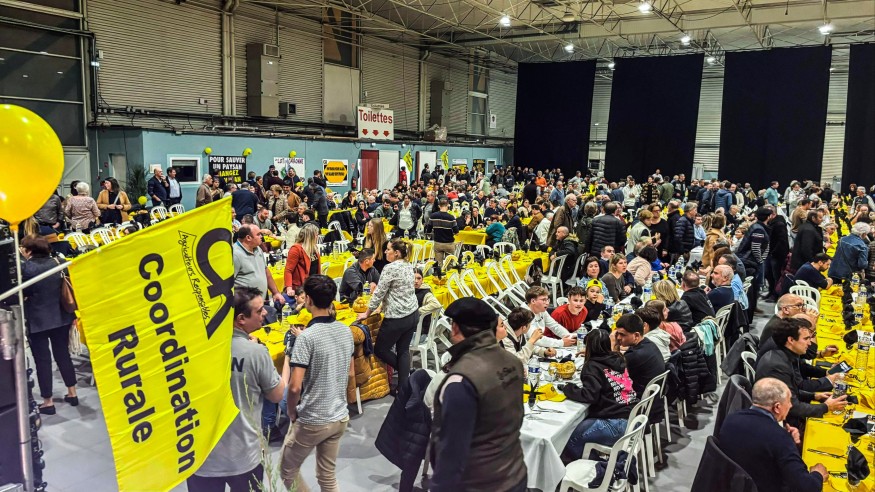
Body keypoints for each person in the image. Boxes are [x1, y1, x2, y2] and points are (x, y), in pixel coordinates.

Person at [189, 287, 284, 491]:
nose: (265, 313)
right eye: (259, 310)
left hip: (201, 456)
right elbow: (277, 395)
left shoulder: (194, 350)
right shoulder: (256, 353)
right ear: (241, 318)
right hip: (244, 455)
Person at [429, 298, 527, 492]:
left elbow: (452, 452)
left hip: (479, 484)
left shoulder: (461, 380)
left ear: (455, 328)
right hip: (515, 474)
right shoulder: (513, 362)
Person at [281, 276, 354, 492]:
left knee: (287, 470)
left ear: (308, 300)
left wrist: (291, 411)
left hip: (313, 418)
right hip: (339, 415)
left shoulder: (307, 338)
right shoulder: (345, 330)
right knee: (327, 476)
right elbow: (351, 373)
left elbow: (295, 386)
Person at [717, 378, 827, 492]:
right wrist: (818, 474)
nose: (790, 405)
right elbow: (807, 487)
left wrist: (789, 442)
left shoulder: (730, 419)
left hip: (734, 485)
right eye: (789, 401)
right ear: (777, 407)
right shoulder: (780, 438)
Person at [19, 235, 77, 415]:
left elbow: (24, 293)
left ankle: (48, 401)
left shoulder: (26, 269)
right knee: (63, 355)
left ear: (28, 250)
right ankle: (72, 393)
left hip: (37, 321)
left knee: (42, 361)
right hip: (61, 317)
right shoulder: (59, 262)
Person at [560, 329, 638, 459]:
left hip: (616, 424)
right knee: (580, 426)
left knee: (568, 439)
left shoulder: (592, 366)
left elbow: (590, 395)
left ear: (589, 347)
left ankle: (597, 466)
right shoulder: (618, 358)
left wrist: (568, 389)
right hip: (632, 417)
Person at [755, 318, 846, 428]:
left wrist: (814, 396)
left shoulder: (784, 354)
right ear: (791, 340)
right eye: (806, 338)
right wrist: (826, 407)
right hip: (776, 423)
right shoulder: (777, 366)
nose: (809, 343)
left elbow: (791, 390)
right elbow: (792, 407)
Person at [358, 239, 418, 392]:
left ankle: (405, 374)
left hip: (397, 317)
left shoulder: (390, 268)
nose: (385, 252)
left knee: (380, 349)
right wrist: (382, 307)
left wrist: (367, 313)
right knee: (403, 350)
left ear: (396, 253)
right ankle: (404, 387)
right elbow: (396, 291)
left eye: (388, 249)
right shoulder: (408, 265)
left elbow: (379, 293)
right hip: (412, 314)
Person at [613, 314, 666, 402]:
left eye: (622, 334)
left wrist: (613, 346)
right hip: (653, 398)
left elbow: (612, 372)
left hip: (638, 400)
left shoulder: (635, 355)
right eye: (617, 333)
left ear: (636, 335)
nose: (618, 337)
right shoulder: (649, 343)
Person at [233, 224, 285, 307]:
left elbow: (265, 271)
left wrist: (275, 292)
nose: (261, 236)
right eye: (258, 234)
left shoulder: (258, 248)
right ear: (248, 238)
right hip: (245, 307)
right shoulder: (235, 254)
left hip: (260, 304)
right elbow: (228, 285)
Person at [284, 223, 321, 302]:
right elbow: (288, 270)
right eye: (316, 235)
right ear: (310, 236)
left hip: (313, 286)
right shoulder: (296, 249)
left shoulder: (314, 248)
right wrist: (289, 288)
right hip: (300, 287)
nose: (317, 237)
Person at [425, 198, 458, 267]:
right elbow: (456, 232)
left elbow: (428, 231)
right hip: (449, 243)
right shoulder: (451, 218)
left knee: (438, 265)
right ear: (448, 205)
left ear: (439, 206)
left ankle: (439, 273)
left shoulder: (433, 216)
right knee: (449, 264)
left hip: (438, 243)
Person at [413, 268, 441, 337]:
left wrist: (417, 311)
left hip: (419, 333)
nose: (416, 281)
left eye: (419, 278)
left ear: (422, 279)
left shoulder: (425, 293)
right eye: (413, 278)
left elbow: (436, 304)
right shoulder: (410, 290)